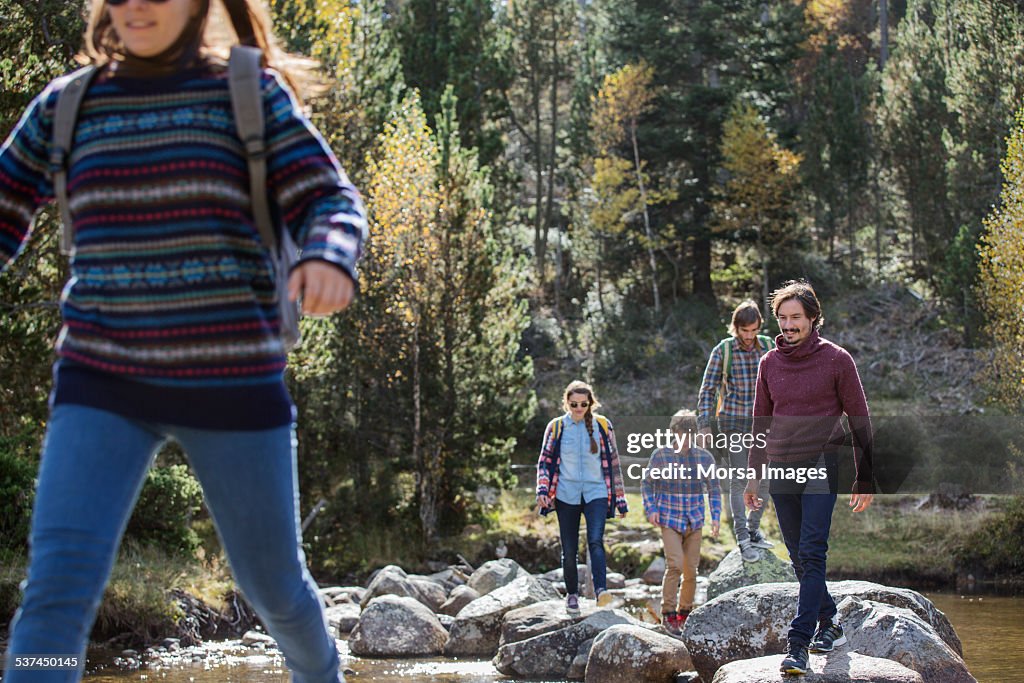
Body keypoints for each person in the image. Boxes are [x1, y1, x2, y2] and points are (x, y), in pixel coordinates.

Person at [0, 1, 366, 681]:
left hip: (232, 385)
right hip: (99, 380)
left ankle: (321, 674)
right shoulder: (69, 106)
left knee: (276, 592)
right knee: (54, 597)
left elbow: (331, 200)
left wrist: (329, 255)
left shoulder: (244, 91)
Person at [743, 281, 874, 676]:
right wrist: (754, 478)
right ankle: (831, 623)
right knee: (800, 556)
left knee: (813, 551)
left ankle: (798, 643)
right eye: (782, 318)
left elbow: (860, 418)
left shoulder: (837, 360)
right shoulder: (768, 363)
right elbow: (760, 423)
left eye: (795, 317)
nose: (788, 325)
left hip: (820, 464)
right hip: (782, 467)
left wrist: (864, 474)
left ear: (813, 318)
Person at [536, 380, 627, 611]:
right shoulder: (556, 427)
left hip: (596, 492)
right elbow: (545, 462)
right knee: (569, 547)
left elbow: (614, 464)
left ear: (590, 403)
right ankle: (572, 595)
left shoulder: (603, 426)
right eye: (574, 404)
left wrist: (620, 499)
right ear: (566, 403)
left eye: (583, 404)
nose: (578, 408)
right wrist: (543, 490)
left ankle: (601, 591)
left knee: (595, 541)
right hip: (566, 494)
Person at [696, 300, 776, 562]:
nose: (749, 336)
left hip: (764, 423)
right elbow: (708, 389)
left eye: (753, 330)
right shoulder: (724, 351)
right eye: (745, 331)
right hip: (733, 422)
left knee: (763, 481)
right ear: (736, 328)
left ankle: (754, 530)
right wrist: (704, 424)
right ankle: (741, 537)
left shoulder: (768, 346)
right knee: (740, 478)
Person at [641, 409, 721, 633]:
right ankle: (667, 613)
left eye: (689, 433)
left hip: (694, 520)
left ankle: (684, 613)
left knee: (691, 570)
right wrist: (651, 508)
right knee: (674, 564)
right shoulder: (661, 455)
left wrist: (716, 517)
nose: (685, 438)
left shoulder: (704, 458)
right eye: (680, 433)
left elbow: (714, 489)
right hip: (669, 518)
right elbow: (646, 483)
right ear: (673, 432)